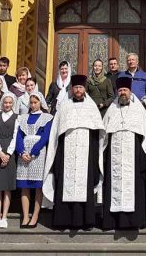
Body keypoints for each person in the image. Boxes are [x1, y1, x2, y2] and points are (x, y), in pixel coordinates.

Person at [43, 74, 105, 229]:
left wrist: (94, 155)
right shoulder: (65, 107)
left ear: (85, 89)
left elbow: (98, 133)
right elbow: (57, 132)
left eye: (81, 87)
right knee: (65, 184)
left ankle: (86, 221)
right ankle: (63, 221)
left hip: (86, 155)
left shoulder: (91, 108)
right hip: (67, 154)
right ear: (72, 89)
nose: (78, 90)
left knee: (85, 186)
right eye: (76, 87)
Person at [101, 76, 146, 230]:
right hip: (114, 160)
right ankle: (113, 221)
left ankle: (135, 221)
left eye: (125, 90)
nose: (122, 93)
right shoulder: (111, 110)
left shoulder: (139, 110)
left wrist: (143, 161)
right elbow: (104, 137)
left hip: (134, 160)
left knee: (135, 190)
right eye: (120, 90)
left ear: (130, 91)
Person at [15, 93, 53, 228]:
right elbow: (18, 135)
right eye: (31, 102)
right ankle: (25, 215)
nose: (33, 105)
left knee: (37, 187)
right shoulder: (22, 118)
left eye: (35, 102)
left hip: (38, 153)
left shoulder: (47, 118)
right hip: (24, 152)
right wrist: (21, 151)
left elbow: (45, 137)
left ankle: (35, 215)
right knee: (24, 186)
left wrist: (33, 152)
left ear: (40, 103)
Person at [0, 92, 18, 229]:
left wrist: (8, 154)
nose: (7, 105)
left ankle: (5, 217)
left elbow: (15, 137)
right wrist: (0, 153)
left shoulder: (17, 118)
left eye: (10, 103)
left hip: (9, 154)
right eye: (5, 102)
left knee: (7, 188)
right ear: (2, 103)